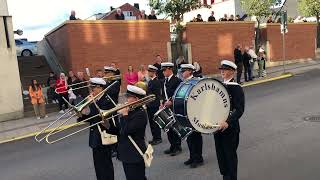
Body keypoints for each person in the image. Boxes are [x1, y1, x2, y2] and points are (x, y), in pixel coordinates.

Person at [106, 85, 149, 180]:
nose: (126, 100)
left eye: (129, 97)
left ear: (136, 99)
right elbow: (119, 130)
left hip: (134, 154)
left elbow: (127, 131)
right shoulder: (131, 110)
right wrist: (107, 124)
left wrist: (124, 114)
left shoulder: (140, 114)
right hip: (126, 153)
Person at [78, 78, 115, 180]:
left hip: (104, 138)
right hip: (95, 139)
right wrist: (82, 114)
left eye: (93, 88)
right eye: (91, 88)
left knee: (106, 167)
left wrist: (91, 103)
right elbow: (90, 118)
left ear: (100, 88)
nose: (91, 90)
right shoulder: (96, 100)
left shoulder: (107, 100)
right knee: (98, 168)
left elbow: (100, 117)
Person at [215, 60, 245, 180]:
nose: (222, 71)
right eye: (221, 69)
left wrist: (227, 121)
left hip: (230, 128)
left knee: (230, 157)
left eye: (225, 69)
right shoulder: (219, 87)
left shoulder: (236, 88)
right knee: (221, 157)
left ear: (232, 71)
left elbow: (239, 109)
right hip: (217, 128)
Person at [180, 64, 204, 168]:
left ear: (190, 71)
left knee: (196, 137)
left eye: (184, 71)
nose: (182, 73)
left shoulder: (196, 82)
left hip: (195, 114)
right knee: (189, 137)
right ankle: (192, 156)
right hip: (186, 114)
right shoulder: (183, 82)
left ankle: (198, 158)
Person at [161, 62, 183, 156]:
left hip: (173, 107)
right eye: (162, 70)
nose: (163, 72)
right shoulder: (164, 81)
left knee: (175, 127)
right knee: (168, 127)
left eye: (164, 70)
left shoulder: (177, 80)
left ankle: (177, 146)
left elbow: (179, 94)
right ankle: (172, 146)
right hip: (166, 107)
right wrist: (162, 104)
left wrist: (172, 102)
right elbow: (163, 94)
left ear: (170, 69)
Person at [146, 65, 162, 145]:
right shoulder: (150, 81)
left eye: (150, 71)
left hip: (154, 104)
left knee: (155, 122)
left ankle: (158, 138)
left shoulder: (156, 81)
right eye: (148, 71)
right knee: (151, 122)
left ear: (154, 72)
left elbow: (156, 94)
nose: (148, 73)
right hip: (150, 105)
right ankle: (154, 137)